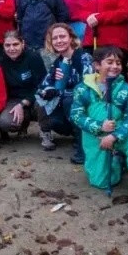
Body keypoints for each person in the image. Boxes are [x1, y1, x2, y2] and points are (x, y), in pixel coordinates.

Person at [70, 47, 128, 215]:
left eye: (118, 63)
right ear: (96, 65)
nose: (115, 66)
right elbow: (76, 115)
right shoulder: (82, 88)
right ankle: (118, 160)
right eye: (109, 62)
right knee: (102, 181)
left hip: (120, 133)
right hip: (95, 136)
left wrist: (114, 136)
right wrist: (98, 126)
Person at [36, 23, 90, 163]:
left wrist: (64, 90)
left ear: (71, 38)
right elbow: (42, 88)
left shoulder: (83, 57)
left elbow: (90, 86)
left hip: (87, 105)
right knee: (46, 109)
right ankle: (74, 134)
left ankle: (83, 146)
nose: (59, 41)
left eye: (62, 36)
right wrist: (52, 84)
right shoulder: (58, 62)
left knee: (69, 100)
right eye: (55, 38)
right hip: (68, 106)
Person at [14, 0, 69, 64]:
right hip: (29, 47)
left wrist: (57, 39)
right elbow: (20, 21)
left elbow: (63, 16)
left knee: (51, 74)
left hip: (49, 46)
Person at [0, 30, 45, 138]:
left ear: (23, 43)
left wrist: (23, 103)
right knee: (5, 123)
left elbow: (41, 84)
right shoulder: (0, 63)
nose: (11, 48)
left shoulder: (33, 57)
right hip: (14, 100)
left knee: (44, 106)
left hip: (36, 97)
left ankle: (45, 130)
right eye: (7, 45)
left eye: (15, 44)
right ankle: (23, 123)